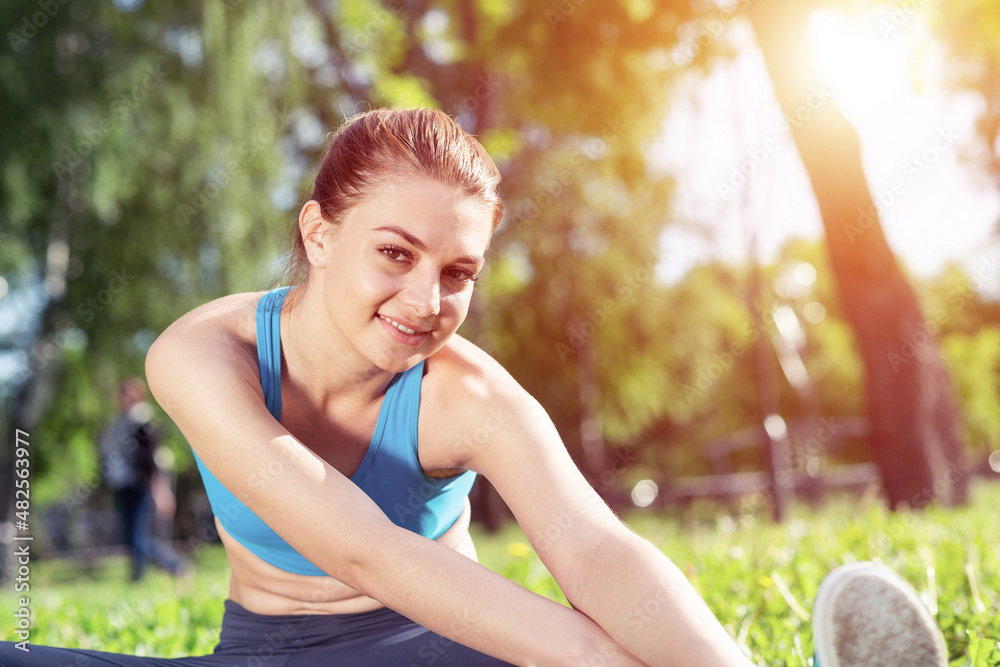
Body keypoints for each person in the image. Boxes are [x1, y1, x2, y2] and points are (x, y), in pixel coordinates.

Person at [0, 108, 943, 666]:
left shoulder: (471, 397)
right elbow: (363, 550)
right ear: (320, 233)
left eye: (458, 271)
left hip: (442, 648)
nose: (425, 299)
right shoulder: (203, 354)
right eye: (394, 254)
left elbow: (599, 552)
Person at [98, 377, 187, 582]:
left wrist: (160, 489)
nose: (124, 398)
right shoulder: (119, 423)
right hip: (123, 485)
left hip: (140, 484)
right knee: (130, 534)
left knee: (139, 535)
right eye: (122, 394)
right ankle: (138, 573)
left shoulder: (142, 420)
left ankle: (174, 565)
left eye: (129, 394)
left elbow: (151, 459)